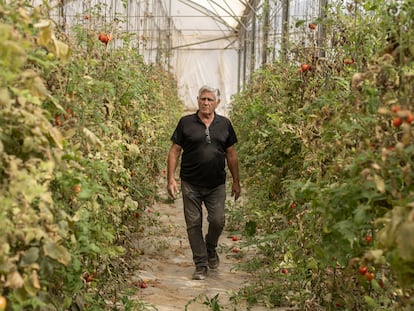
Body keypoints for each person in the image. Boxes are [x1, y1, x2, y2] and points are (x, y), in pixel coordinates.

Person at [167, 85, 241, 280]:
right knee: (193, 224)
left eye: (210, 99)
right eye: (203, 99)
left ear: (217, 102)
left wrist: (236, 181)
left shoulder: (224, 124)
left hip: (216, 184)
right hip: (190, 183)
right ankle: (200, 264)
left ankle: (210, 247)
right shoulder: (186, 123)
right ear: (197, 100)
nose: (206, 103)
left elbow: (231, 155)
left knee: (218, 220)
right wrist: (170, 179)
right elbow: (175, 151)